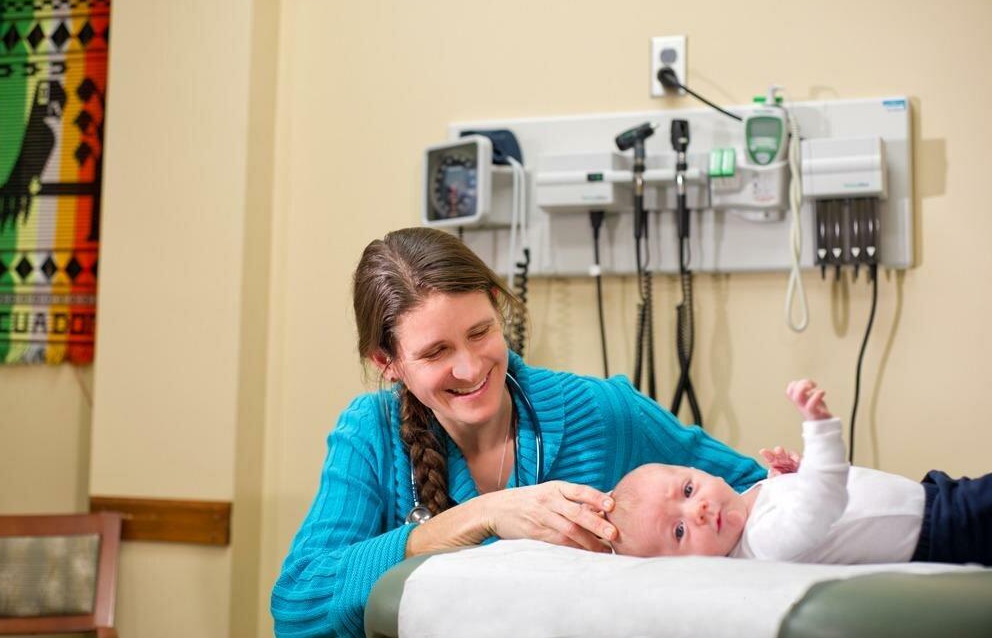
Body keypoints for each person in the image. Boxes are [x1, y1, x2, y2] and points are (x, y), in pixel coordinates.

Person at [270, 227, 766, 637]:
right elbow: (296, 608)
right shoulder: (371, 434)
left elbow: (756, 494)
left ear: (495, 306)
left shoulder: (604, 414)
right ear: (388, 362)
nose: (469, 368)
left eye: (480, 332)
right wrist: (476, 518)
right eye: (435, 352)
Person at [607, 379, 992, 566]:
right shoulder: (764, 545)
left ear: (698, 471)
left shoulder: (750, 505)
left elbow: (817, 495)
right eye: (679, 531)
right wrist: (820, 429)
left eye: (688, 490)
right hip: (941, 529)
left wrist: (792, 475)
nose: (698, 510)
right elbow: (823, 501)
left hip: (931, 496)